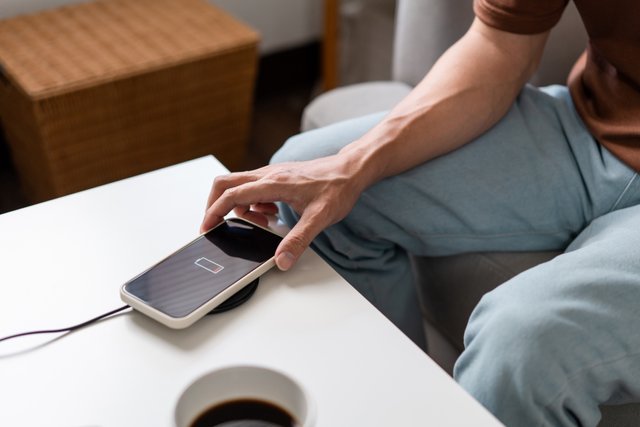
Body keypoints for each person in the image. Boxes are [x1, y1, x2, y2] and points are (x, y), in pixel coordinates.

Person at [201, 0, 640, 425]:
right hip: (589, 128)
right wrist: (352, 167)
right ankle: (402, 411)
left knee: (524, 342)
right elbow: (501, 43)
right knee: (314, 191)